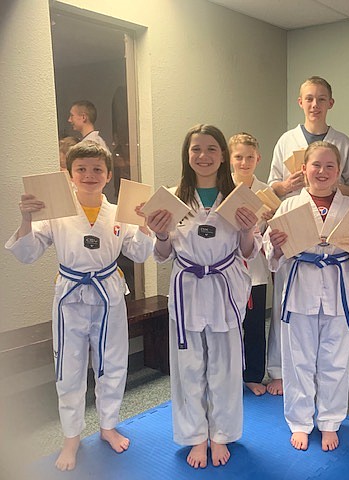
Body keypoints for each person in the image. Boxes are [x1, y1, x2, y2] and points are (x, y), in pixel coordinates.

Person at [5, 141, 154, 471]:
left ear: (108, 175)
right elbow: (28, 253)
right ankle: (71, 438)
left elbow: (141, 253)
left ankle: (108, 426)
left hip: (108, 293)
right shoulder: (55, 210)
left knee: (112, 362)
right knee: (69, 368)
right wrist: (27, 218)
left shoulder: (119, 211)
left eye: (97, 169)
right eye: (81, 169)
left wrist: (144, 224)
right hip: (70, 295)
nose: (89, 175)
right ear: (69, 175)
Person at [145, 124, 260, 469]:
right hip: (187, 289)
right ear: (187, 155)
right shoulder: (171, 198)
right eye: (196, 149)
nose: (203, 156)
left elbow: (249, 251)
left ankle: (221, 433)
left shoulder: (237, 197)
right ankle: (196, 435)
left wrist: (248, 228)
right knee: (189, 366)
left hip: (225, 286)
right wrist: (160, 233)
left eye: (211, 149)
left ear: (223, 155)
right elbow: (163, 254)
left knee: (224, 366)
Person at [264, 141, 349, 452]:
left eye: (330, 166)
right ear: (304, 169)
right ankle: (300, 422)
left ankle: (329, 421)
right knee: (297, 360)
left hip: (337, 292)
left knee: (335, 360)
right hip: (300, 290)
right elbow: (271, 255)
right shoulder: (288, 206)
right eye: (316, 165)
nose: (323, 171)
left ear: (339, 171)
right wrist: (275, 244)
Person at [265, 76, 349, 396]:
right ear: (300, 102)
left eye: (321, 99)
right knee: (289, 307)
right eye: (309, 98)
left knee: (329, 323)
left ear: (330, 104)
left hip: (330, 225)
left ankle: (324, 383)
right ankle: (280, 370)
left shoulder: (343, 142)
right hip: (295, 228)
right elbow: (273, 187)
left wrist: (324, 183)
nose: (314, 104)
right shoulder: (286, 140)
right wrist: (292, 186)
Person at [228, 132, 275, 396]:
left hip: (255, 269)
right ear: (230, 159)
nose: (244, 162)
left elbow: (273, 234)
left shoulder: (265, 192)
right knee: (229, 326)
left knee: (255, 325)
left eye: (249, 157)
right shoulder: (222, 187)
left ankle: (254, 374)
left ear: (257, 158)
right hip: (226, 269)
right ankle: (229, 375)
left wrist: (270, 218)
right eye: (238, 157)